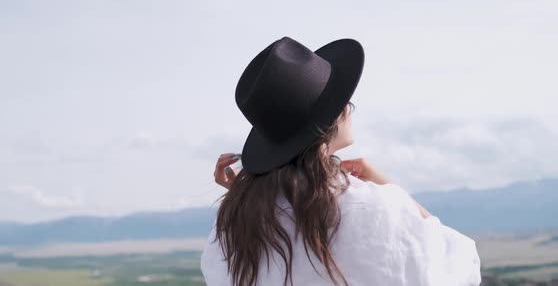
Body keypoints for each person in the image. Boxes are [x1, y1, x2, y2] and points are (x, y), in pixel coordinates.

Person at [200, 36, 481, 286]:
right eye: (342, 101)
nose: (348, 108)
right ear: (330, 120)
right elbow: (460, 263)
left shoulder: (228, 232)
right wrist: (388, 187)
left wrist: (245, 202)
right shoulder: (377, 209)